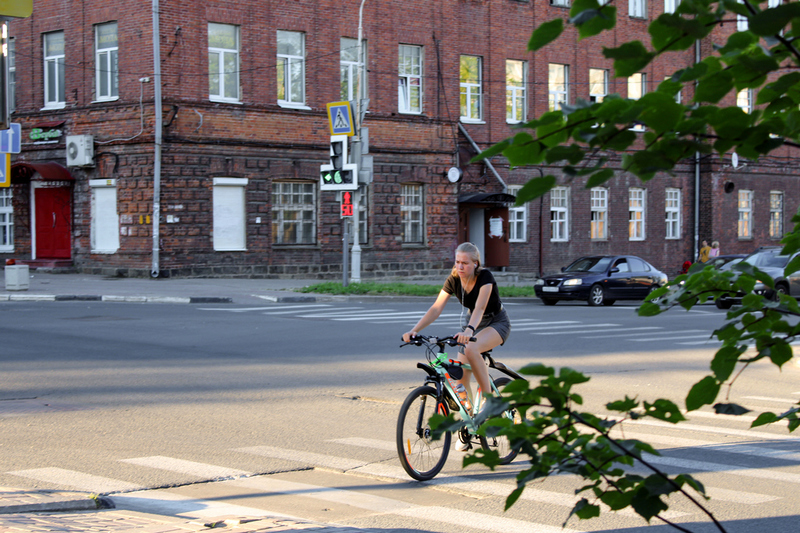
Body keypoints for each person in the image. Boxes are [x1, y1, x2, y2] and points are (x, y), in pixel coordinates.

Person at [402, 242, 511, 451]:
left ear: (475, 264)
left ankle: (490, 401)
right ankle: (469, 424)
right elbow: (436, 308)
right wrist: (414, 330)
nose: (459, 267)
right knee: (459, 381)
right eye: (457, 262)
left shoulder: (485, 277)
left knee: (472, 350)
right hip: (471, 325)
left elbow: (479, 308)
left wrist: (469, 331)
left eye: (464, 263)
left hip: (496, 322)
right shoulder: (454, 279)